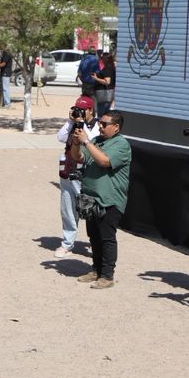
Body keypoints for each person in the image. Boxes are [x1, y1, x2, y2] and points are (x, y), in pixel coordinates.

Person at [70, 109, 131, 290]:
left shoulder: (122, 145)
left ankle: (107, 275)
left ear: (116, 127)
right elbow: (78, 157)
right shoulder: (97, 141)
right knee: (94, 236)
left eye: (105, 124)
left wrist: (87, 141)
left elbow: (104, 161)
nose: (101, 127)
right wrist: (75, 143)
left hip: (110, 199)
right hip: (91, 198)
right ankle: (96, 269)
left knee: (106, 237)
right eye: (100, 123)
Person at [55, 96, 100, 257]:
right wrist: (71, 122)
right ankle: (67, 243)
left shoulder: (97, 126)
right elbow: (60, 137)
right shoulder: (73, 123)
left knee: (88, 208)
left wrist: (82, 124)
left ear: (90, 110)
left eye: (82, 109)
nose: (79, 112)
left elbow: (92, 141)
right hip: (68, 169)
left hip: (85, 173)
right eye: (76, 108)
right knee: (67, 208)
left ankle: (96, 245)